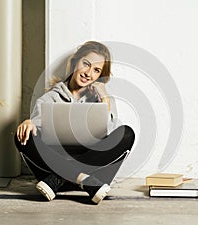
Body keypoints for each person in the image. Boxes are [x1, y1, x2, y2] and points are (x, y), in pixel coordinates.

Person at [14, 41, 135, 204]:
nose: (88, 73)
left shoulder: (102, 100)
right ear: (75, 62)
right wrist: (29, 123)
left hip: (63, 179)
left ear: (100, 76)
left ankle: (61, 178)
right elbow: (38, 128)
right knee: (22, 134)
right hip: (72, 172)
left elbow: (110, 132)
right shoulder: (50, 98)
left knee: (126, 133)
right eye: (86, 64)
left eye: (96, 70)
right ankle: (82, 179)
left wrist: (104, 98)